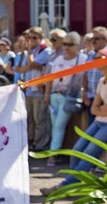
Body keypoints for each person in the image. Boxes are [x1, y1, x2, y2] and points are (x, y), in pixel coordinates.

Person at [40, 48, 107, 197]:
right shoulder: (102, 81)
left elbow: (99, 107)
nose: (95, 60)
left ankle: (64, 186)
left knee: (89, 154)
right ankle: (74, 183)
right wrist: (99, 109)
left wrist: (99, 108)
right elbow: (95, 108)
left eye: (99, 58)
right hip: (98, 121)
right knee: (76, 151)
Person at [43, 32, 87, 166]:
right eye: (65, 44)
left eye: (70, 44)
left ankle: (53, 154)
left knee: (59, 126)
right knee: (54, 126)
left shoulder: (82, 59)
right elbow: (50, 78)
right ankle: (56, 152)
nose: (66, 47)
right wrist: (47, 94)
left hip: (67, 97)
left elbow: (84, 79)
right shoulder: (58, 59)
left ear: (77, 45)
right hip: (54, 96)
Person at [15, 26, 53, 151]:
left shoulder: (45, 51)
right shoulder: (33, 51)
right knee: (29, 119)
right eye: (29, 37)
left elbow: (33, 65)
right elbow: (25, 68)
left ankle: (41, 145)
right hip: (29, 89)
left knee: (39, 120)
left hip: (39, 90)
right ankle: (31, 141)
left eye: (34, 37)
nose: (31, 40)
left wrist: (30, 52)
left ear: (41, 38)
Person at [83, 27, 107, 124]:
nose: (93, 41)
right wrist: (84, 93)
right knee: (91, 126)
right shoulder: (90, 55)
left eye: (96, 39)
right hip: (91, 97)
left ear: (105, 40)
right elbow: (85, 75)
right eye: (92, 39)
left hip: (103, 98)